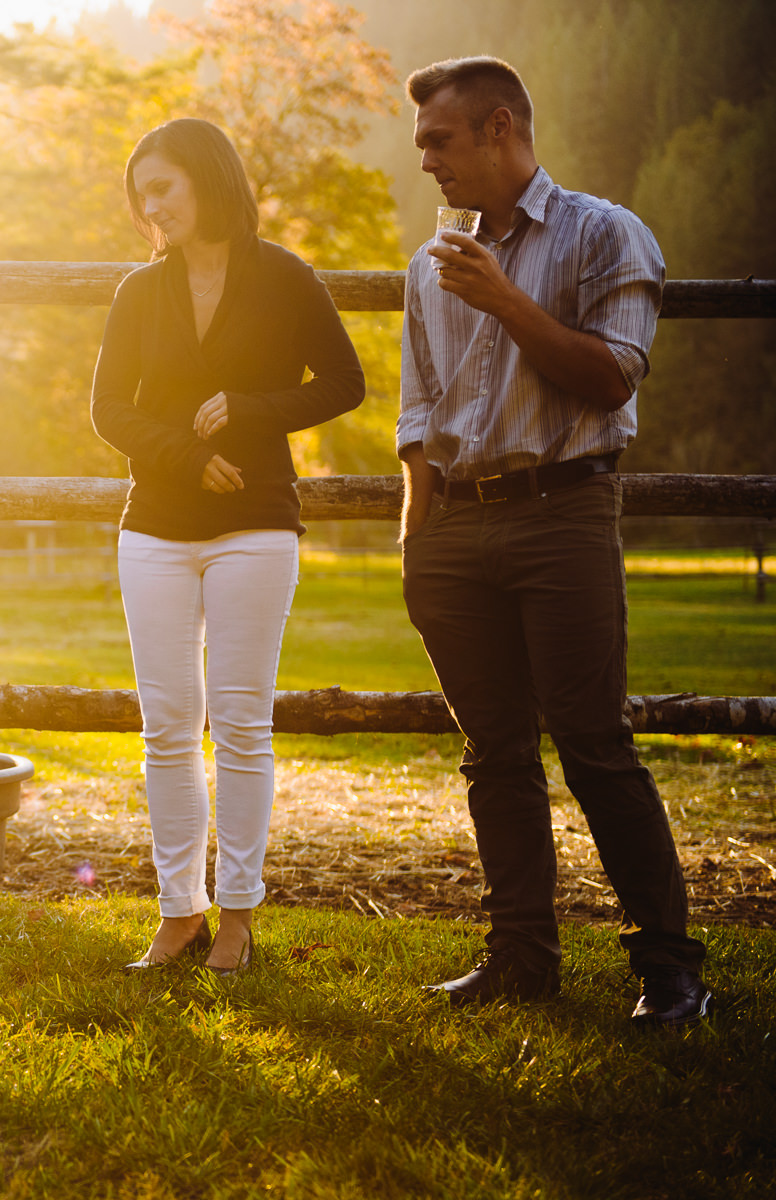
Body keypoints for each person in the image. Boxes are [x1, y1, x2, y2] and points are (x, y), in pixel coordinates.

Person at [397, 56, 708, 1024]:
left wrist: (509, 302)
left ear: (498, 127)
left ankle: (669, 969)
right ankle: (522, 957)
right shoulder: (427, 263)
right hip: (454, 525)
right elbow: (420, 409)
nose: (427, 165)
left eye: (439, 142)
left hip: (561, 513)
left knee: (593, 742)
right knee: (492, 752)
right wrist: (417, 539)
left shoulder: (604, 233)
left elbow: (615, 378)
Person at [92, 118, 364, 976]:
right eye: (141, 192)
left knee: (242, 725)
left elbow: (344, 384)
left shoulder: (284, 276)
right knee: (167, 727)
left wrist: (250, 409)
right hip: (154, 531)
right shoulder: (140, 292)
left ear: (207, 180)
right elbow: (109, 412)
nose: (149, 205)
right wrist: (184, 454)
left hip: (257, 528)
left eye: (162, 185)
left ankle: (239, 917)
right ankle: (180, 916)